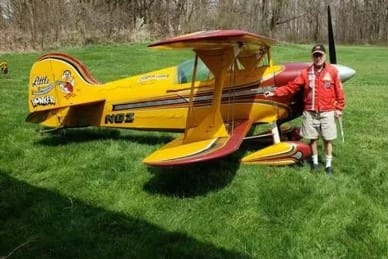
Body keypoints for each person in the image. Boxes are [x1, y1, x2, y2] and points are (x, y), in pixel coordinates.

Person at [265, 44, 345, 174]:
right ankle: (314, 163)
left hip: (327, 111)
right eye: (315, 55)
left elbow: (339, 91)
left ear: (324, 56)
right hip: (310, 112)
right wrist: (275, 92)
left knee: (327, 139)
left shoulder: (332, 72)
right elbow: (292, 87)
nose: (318, 58)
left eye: (320, 55)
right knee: (312, 138)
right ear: (312, 57)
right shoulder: (306, 73)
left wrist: (339, 108)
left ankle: (328, 165)